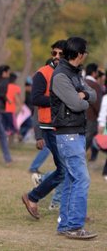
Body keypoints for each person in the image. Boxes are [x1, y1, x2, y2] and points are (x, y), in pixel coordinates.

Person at [51, 36, 96, 239]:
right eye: (85, 52)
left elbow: (92, 94)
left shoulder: (75, 73)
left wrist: (83, 95)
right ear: (79, 54)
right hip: (67, 133)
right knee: (82, 179)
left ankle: (66, 226)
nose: (85, 55)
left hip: (76, 131)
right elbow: (76, 105)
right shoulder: (61, 76)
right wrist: (83, 99)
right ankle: (74, 226)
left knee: (71, 180)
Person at [21, 40, 66, 220]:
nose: (56, 57)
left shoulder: (68, 74)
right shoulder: (42, 73)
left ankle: (70, 208)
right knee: (65, 170)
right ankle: (34, 196)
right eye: (54, 53)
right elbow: (36, 100)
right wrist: (39, 134)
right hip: (50, 127)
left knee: (69, 170)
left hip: (66, 127)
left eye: (60, 54)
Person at [84, 63, 102, 162]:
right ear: (94, 73)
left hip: (77, 115)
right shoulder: (95, 85)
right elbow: (97, 104)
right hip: (91, 117)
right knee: (88, 138)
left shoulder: (80, 81)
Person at [3, 73, 22, 141]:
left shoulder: (4, 86)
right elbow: (17, 100)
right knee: (14, 127)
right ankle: (19, 136)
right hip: (11, 110)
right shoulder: (16, 88)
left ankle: (6, 137)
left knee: (5, 126)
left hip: (3, 110)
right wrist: (19, 108)